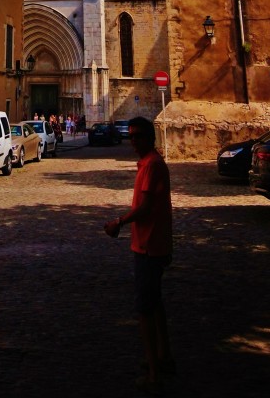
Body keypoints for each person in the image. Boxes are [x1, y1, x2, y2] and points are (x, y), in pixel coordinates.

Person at [104, 116, 174, 396]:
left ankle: (154, 373)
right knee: (155, 303)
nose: (132, 141)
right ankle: (164, 356)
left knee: (145, 310)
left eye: (137, 137)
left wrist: (118, 222)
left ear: (150, 138)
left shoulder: (152, 165)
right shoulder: (149, 163)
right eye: (130, 136)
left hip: (149, 245)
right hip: (153, 243)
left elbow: (144, 208)